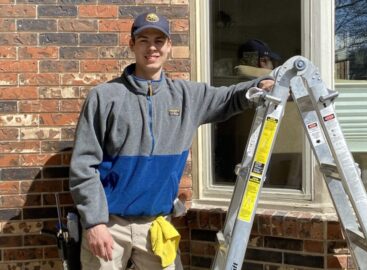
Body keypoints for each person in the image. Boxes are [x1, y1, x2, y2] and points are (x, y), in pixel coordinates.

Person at [69, 12, 275, 270]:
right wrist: (94, 222)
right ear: (132, 44)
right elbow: (83, 167)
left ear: (169, 46)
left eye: (159, 40)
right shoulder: (104, 97)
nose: (151, 47)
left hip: (157, 226)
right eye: (143, 40)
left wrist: (265, 84)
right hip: (110, 227)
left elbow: (231, 97)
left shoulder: (188, 96)